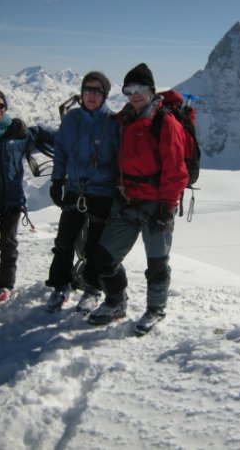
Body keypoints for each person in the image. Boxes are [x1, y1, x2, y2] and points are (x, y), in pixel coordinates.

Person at [86, 63, 189, 335]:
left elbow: (177, 170)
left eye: (140, 89)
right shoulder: (125, 119)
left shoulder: (165, 122)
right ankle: (116, 303)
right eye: (129, 90)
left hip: (156, 204)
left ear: (152, 90)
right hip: (127, 200)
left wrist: (167, 208)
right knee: (103, 257)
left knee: (156, 264)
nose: (135, 94)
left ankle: (156, 309)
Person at [44, 71, 120, 314]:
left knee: (94, 246)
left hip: (102, 192)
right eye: (87, 89)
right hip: (75, 189)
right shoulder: (72, 119)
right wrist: (57, 181)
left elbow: (120, 159)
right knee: (64, 241)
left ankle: (92, 288)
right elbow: (61, 150)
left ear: (105, 94)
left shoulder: (113, 122)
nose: (91, 95)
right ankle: (60, 286)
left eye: (97, 91)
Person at [0, 89, 54, 304]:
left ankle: (5, 286)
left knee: (9, 245)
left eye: (1, 106)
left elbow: (41, 133)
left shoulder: (17, 133)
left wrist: (72, 138)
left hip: (12, 200)